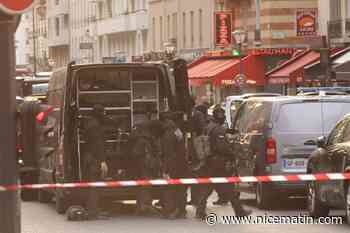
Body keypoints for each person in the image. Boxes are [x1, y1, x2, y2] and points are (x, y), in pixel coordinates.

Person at [195, 107, 252, 220]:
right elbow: (221, 147)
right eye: (222, 116)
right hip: (219, 163)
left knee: (208, 187)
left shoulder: (209, 127)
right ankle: (239, 211)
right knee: (229, 187)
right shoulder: (217, 129)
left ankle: (200, 211)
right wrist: (233, 153)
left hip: (210, 161)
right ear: (220, 116)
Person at [130, 120, 163, 216]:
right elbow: (147, 154)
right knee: (146, 185)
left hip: (140, 166)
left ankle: (141, 206)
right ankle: (144, 206)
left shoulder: (140, 137)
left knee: (142, 185)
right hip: (145, 166)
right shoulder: (145, 140)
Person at [83, 104, 109, 220]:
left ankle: (92, 210)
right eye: (103, 112)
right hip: (94, 159)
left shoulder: (89, 123)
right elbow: (98, 145)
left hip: (89, 158)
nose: (104, 115)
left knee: (92, 185)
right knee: (95, 185)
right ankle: (93, 212)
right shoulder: (95, 126)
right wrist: (102, 161)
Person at [160, 116, 188, 219]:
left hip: (173, 166)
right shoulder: (178, 132)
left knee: (171, 189)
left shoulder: (168, 135)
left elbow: (168, 154)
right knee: (181, 189)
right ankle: (182, 210)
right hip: (182, 165)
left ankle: (172, 211)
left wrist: (166, 170)